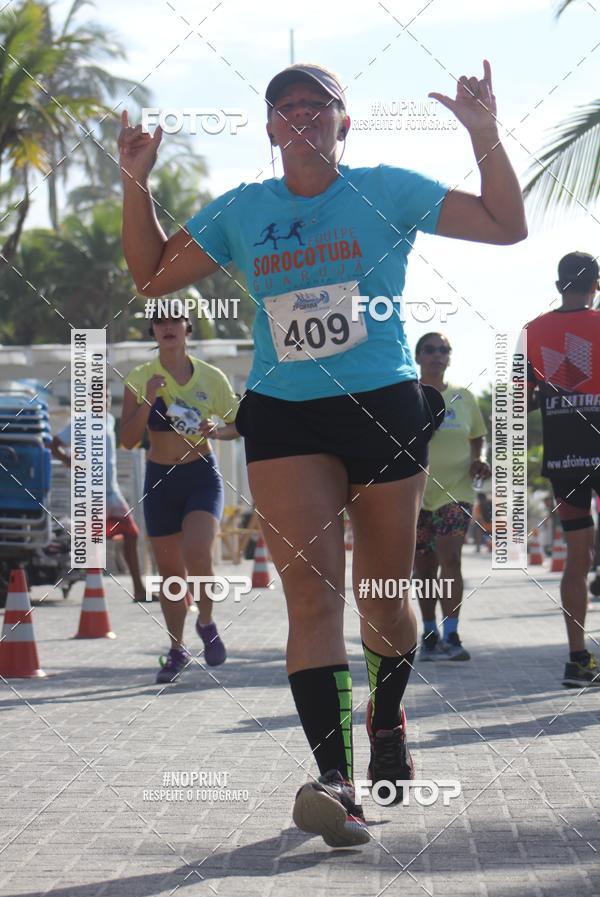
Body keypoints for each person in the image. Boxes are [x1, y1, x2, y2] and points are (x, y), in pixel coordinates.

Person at [119, 60, 526, 847]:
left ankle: (388, 713)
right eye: (286, 107)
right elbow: (149, 277)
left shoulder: (389, 189)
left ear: (347, 122)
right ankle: (335, 781)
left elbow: (507, 226)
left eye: (319, 105)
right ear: (270, 128)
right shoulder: (244, 209)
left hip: (380, 406)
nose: (302, 115)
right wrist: (136, 182)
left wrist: (483, 134)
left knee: (382, 596)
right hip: (284, 415)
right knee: (312, 599)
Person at [119, 306, 239, 684]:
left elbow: (239, 422)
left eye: (175, 321)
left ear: (187, 327)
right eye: (160, 321)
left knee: (198, 552)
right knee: (170, 575)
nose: (168, 327)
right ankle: (176, 649)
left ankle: (206, 621)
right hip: (159, 480)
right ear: (152, 330)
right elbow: (127, 439)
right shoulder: (139, 377)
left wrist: (216, 430)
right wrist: (147, 399)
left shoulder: (211, 376)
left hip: (201, 475)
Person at [525, 251, 600, 688]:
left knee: (576, 559)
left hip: (564, 459)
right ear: (595, 284)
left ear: (559, 286)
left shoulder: (532, 332)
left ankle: (577, 660)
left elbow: (521, 400)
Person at [413, 333, 490, 661]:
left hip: (455, 493)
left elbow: (477, 438)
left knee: (451, 560)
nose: (437, 355)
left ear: (450, 357)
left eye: (444, 349)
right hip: (414, 494)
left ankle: (452, 632)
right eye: (430, 349)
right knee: (425, 567)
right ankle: (429, 633)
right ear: (417, 357)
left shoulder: (463, 396)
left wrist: (479, 459)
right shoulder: (407, 395)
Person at [51, 387, 151, 602]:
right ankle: (92, 592)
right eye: (98, 397)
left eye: (106, 396)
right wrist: (69, 461)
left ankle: (138, 589)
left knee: (131, 534)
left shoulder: (109, 420)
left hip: (111, 491)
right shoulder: (80, 422)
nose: (103, 400)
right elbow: (54, 444)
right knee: (93, 541)